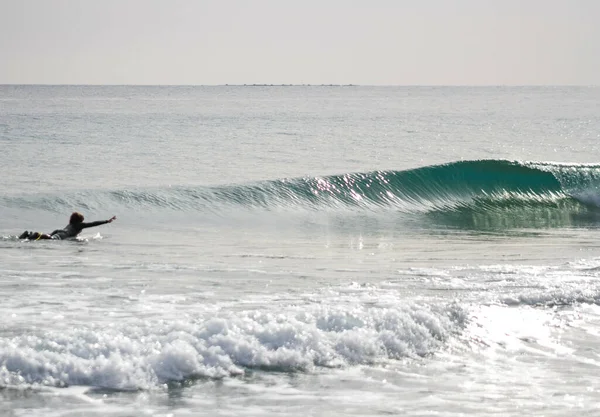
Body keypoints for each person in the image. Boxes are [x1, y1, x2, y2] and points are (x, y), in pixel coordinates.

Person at [19, 212, 117, 240]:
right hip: (63, 235)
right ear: (79, 221)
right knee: (50, 239)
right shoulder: (79, 225)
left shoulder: (70, 224)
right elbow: (93, 224)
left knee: (48, 237)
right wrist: (107, 221)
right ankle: (35, 234)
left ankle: (27, 235)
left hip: (58, 231)